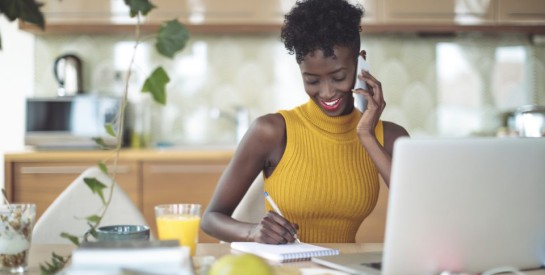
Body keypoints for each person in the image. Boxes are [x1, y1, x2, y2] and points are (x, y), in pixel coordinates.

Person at [200, 0, 409, 244]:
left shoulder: (390, 137)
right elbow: (211, 219)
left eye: (338, 77)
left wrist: (366, 136)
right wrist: (252, 232)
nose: (327, 92)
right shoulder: (271, 132)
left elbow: (422, 214)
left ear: (361, 63)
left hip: (345, 268)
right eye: (312, 80)